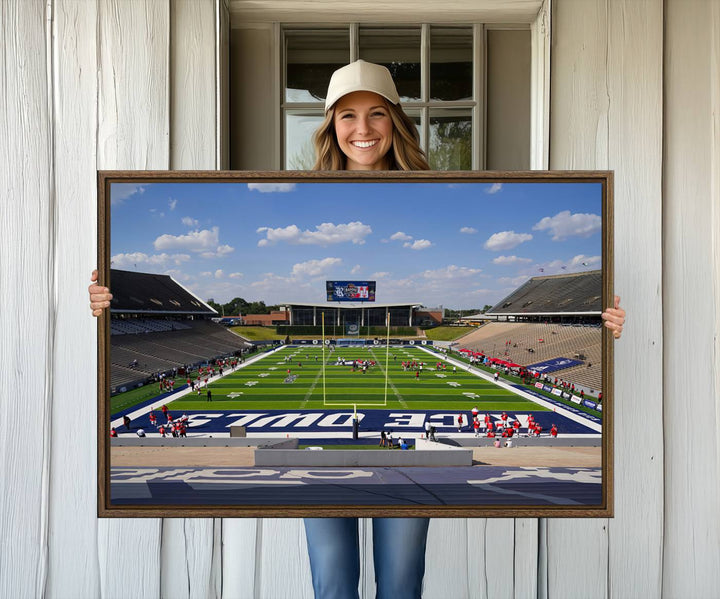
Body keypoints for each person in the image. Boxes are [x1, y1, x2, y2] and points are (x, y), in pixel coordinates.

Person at [88, 59, 626, 599]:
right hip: (320, 461)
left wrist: (602, 323)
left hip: (409, 452)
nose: (362, 129)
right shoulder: (300, 193)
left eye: (376, 114)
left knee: (400, 581)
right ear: (330, 126)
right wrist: (107, 301)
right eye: (347, 115)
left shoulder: (437, 191)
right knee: (332, 580)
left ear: (396, 121)